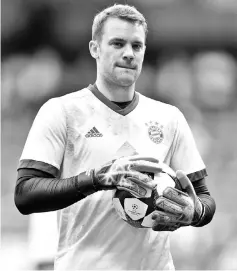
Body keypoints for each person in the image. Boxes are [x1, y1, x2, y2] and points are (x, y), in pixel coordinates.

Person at [14, 4, 216, 270]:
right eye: (118, 43)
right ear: (95, 48)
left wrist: (194, 212)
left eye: (137, 46)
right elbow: (25, 194)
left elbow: (203, 198)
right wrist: (97, 178)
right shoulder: (61, 111)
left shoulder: (170, 118)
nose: (129, 54)